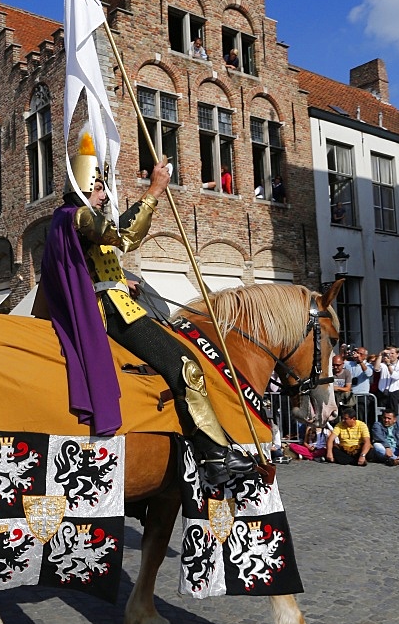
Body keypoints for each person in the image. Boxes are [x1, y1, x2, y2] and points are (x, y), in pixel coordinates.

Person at [39, 131, 255, 486]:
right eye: (98, 189)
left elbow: (101, 256)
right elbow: (123, 236)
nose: (104, 195)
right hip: (109, 311)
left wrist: (122, 280)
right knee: (185, 366)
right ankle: (214, 457)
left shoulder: (76, 219)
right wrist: (154, 191)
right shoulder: (75, 215)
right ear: (82, 190)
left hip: (119, 299)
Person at [373, 345, 399, 418]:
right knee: (382, 415)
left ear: (397, 354)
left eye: (392, 353)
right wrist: (380, 355)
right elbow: (376, 368)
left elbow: (395, 376)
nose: (390, 355)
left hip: (395, 393)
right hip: (383, 393)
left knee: (395, 415)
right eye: (388, 353)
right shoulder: (383, 365)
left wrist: (388, 364)